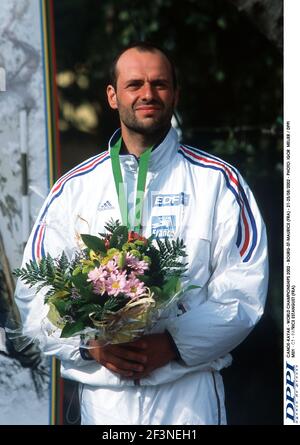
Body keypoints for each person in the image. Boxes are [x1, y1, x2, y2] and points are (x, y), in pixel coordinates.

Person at [15, 42, 268, 425]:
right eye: (135, 84)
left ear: (175, 95)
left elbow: (245, 289)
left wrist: (173, 345)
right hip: (105, 402)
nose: (148, 93)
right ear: (113, 97)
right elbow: (33, 292)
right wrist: (89, 346)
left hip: (187, 396)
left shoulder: (218, 181)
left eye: (160, 84)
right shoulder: (74, 189)